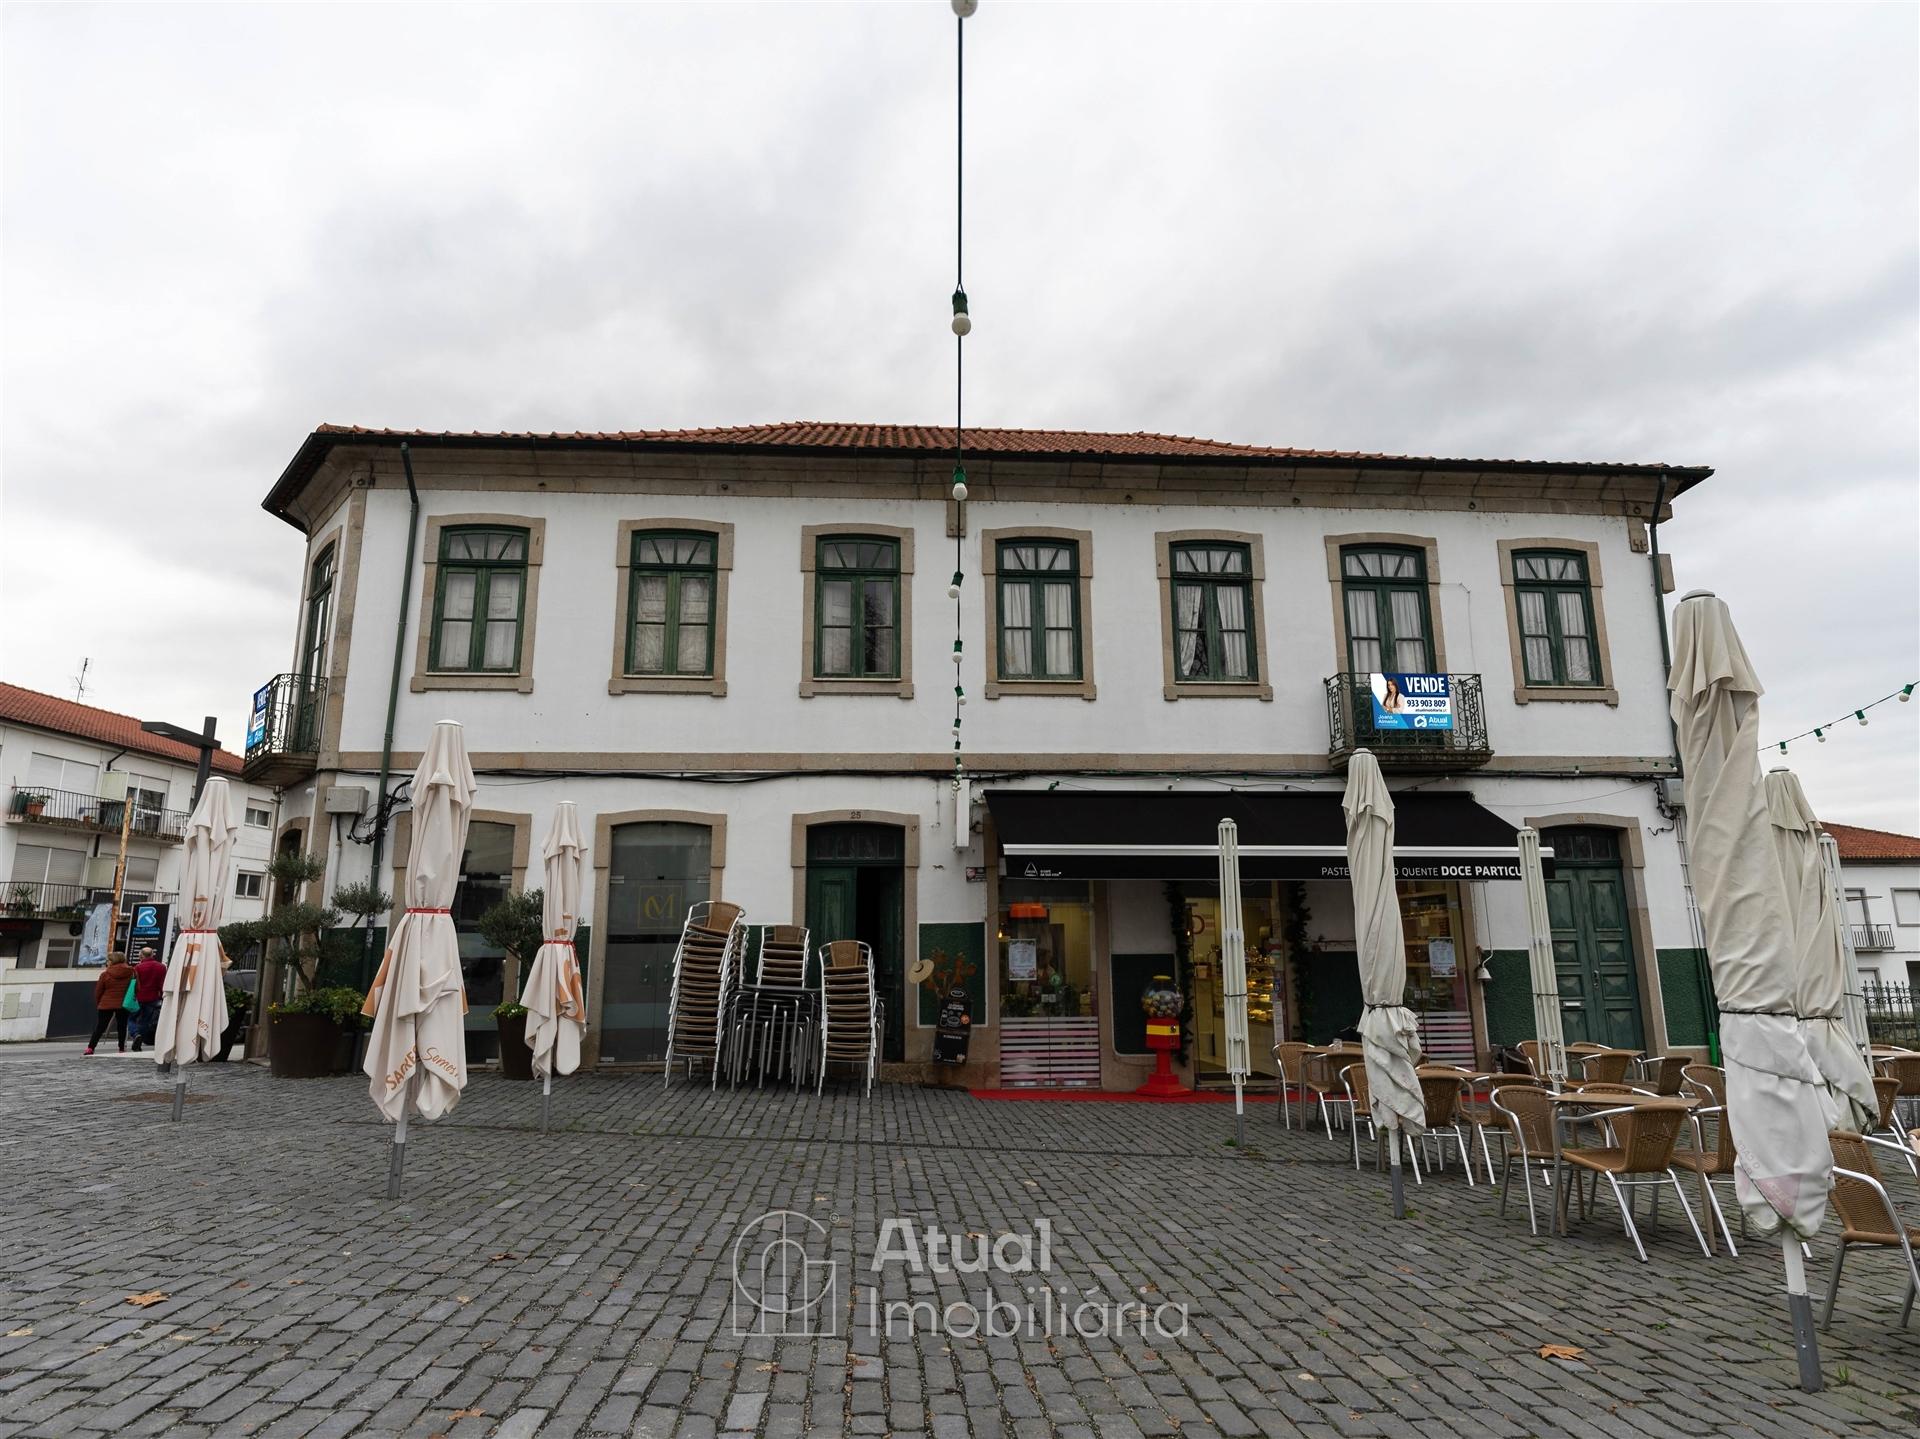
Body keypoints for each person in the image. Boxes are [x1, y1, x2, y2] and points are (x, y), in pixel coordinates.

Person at [86, 953, 137, 1055]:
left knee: (100, 1027)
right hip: (124, 1003)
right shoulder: (132, 972)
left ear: (112, 961)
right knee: (122, 1026)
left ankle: (90, 1048)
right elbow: (136, 987)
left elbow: (98, 991)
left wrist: (99, 1002)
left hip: (106, 1003)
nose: (107, 963)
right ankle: (121, 1048)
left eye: (108, 961)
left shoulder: (105, 974)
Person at [130, 945, 167, 1052]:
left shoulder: (137, 967)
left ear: (141, 955)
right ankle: (141, 1037)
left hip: (139, 997)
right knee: (145, 1020)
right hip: (154, 997)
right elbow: (162, 984)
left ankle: (135, 1034)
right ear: (152, 954)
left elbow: (135, 984)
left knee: (132, 1018)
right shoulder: (161, 967)